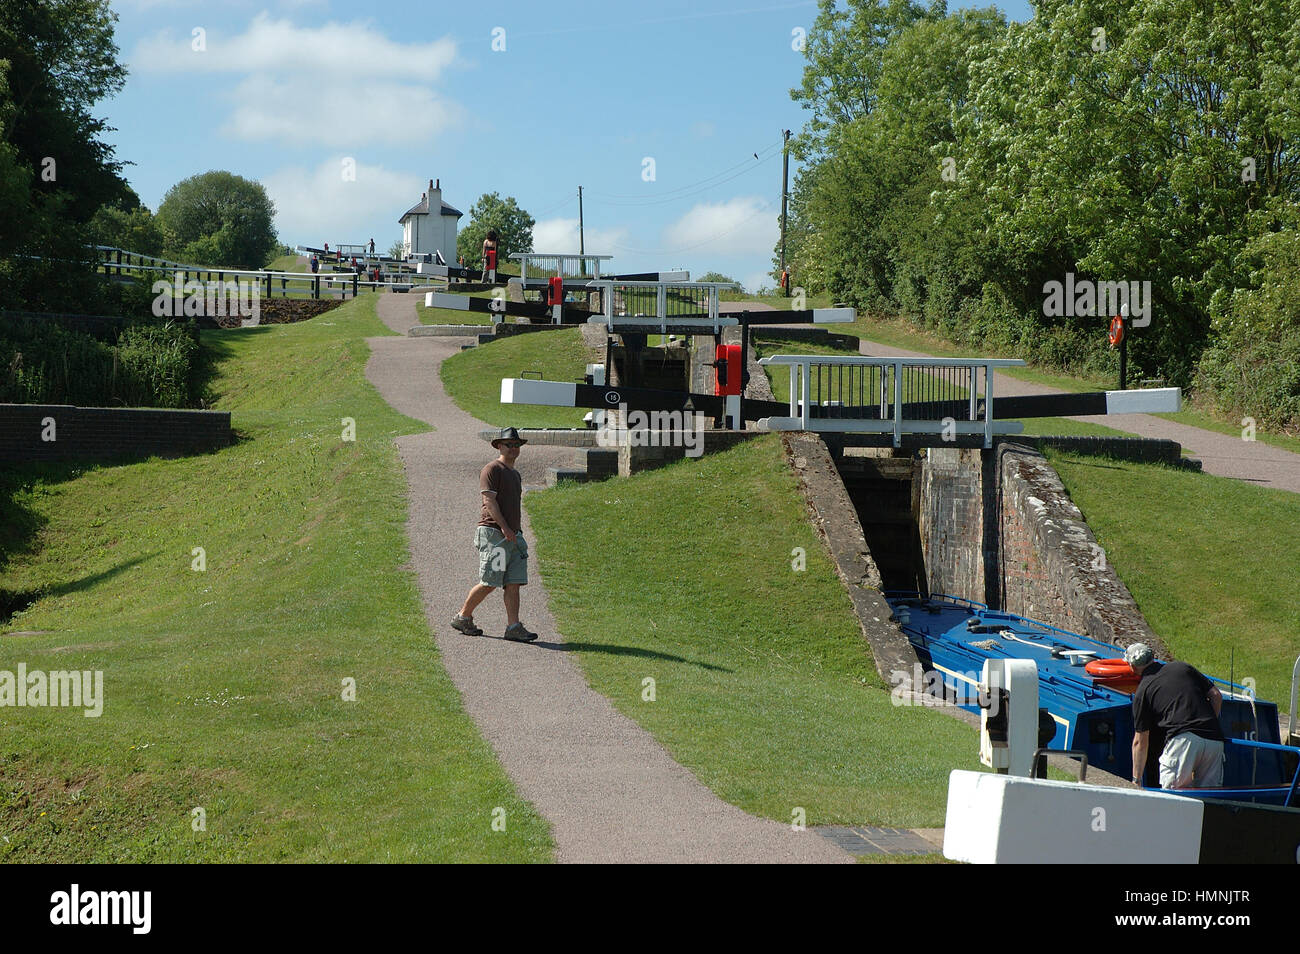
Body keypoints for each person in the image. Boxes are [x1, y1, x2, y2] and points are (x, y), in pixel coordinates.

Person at [452, 427, 537, 642]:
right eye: (509, 444)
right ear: (499, 446)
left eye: (517, 445)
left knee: (514, 582)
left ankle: (513, 627)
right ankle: (463, 617)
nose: (513, 448)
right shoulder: (492, 469)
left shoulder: (515, 474)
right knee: (490, 581)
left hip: (514, 537)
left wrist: (515, 532)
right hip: (495, 536)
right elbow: (489, 501)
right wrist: (505, 529)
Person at [1127, 643, 1224, 789]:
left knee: (1175, 796)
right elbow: (1216, 695)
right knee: (1209, 798)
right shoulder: (1182, 667)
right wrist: (1209, 723)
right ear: (1153, 657)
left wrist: (1136, 780)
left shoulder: (1143, 690)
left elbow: (1140, 742)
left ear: (1132, 667)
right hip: (1214, 739)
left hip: (1182, 742)